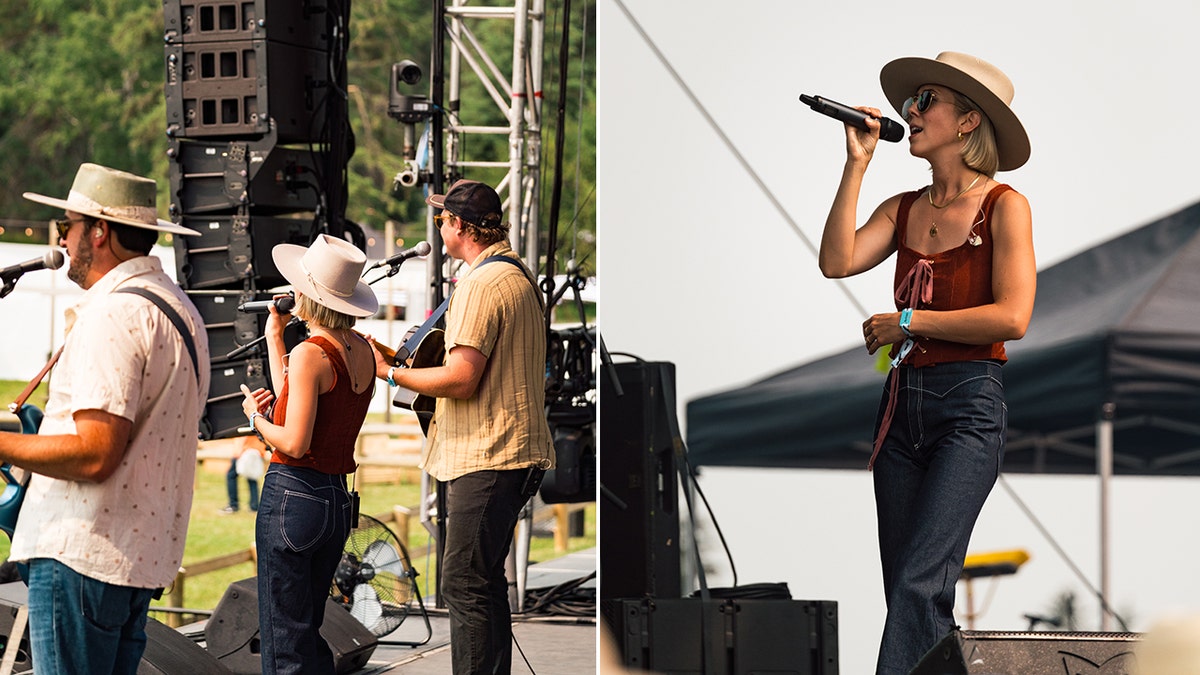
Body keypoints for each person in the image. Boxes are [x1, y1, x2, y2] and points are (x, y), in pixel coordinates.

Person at [816, 52, 1036, 674]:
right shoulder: (903, 205)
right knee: (912, 596)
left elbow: (1012, 317)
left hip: (968, 405)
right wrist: (856, 164)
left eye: (926, 100)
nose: (909, 111)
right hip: (902, 408)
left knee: (918, 585)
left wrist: (909, 321)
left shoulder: (1005, 206)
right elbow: (837, 260)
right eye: (911, 101)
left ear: (968, 121)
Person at [0, 163, 210, 673]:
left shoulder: (114, 314)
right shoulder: (178, 307)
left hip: (83, 557)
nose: (62, 240)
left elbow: (96, 452)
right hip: (131, 558)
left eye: (66, 227)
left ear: (99, 231)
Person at [372, 179, 555, 675]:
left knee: (463, 583)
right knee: (484, 581)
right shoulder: (512, 273)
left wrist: (385, 371)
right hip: (504, 452)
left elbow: (460, 378)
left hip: (488, 454)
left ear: (459, 226)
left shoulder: (480, 284)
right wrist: (395, 358)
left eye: (441, 220)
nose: (438, 228)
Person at [239, 233, 378, 674]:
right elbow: (299, 401)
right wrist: (274, 338)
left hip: (293, 496)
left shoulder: (310, 353)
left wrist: (255, 421)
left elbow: (295, 442)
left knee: (284, 643)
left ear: (308, 295)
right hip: (334, 501)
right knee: (306, 631)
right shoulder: (362, 352)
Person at [221, 435, 264, 514]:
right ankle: (254, 506)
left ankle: (233, 504)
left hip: (246, 450)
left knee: (231, 476)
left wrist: (238, 450)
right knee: (252, 478)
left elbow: (242, 434)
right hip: (257, 450)